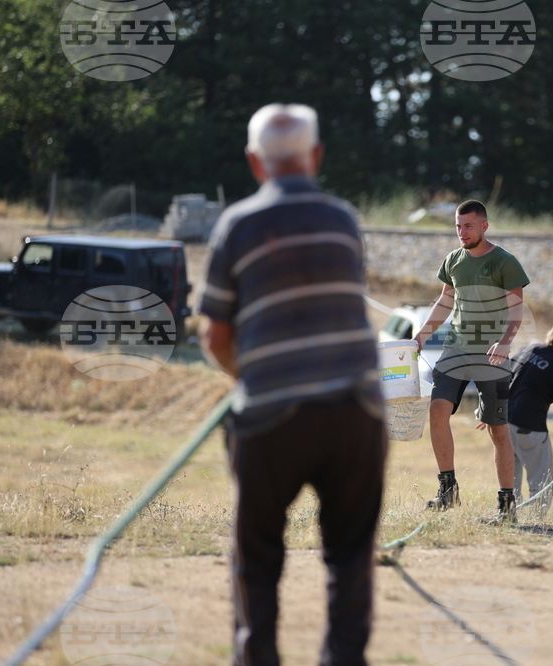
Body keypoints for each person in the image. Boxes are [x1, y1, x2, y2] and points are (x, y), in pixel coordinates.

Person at [198, 103, 388, 666]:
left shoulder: (236, 224)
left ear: (256, 163)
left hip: (271, 418)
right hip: (356, 412)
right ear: (317, 156)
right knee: (351, 554)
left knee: (256, 558)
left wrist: (249, 378)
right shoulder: (343, 219)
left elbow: (214, 336)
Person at [412, 200, 530, 520]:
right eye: (458, 226)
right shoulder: (453, 260)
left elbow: (517, 309)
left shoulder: (505, 262)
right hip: (456, 348)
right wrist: (421, 336)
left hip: (492, 354)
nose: (461, 232)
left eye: (468, 226)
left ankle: (506, 506)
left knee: (497, 430)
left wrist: (505, 343)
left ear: (484, 227)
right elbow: (445, 300)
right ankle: (448, 491)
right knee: (438, 410)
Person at [503, 319, 553, 516]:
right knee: (541, 482)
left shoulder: (529, 348)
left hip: (504, 424)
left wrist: (489, 412)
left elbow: (504, 377)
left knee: (509, 478)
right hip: (530, 430)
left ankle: (508, 516)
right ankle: (538, 523)